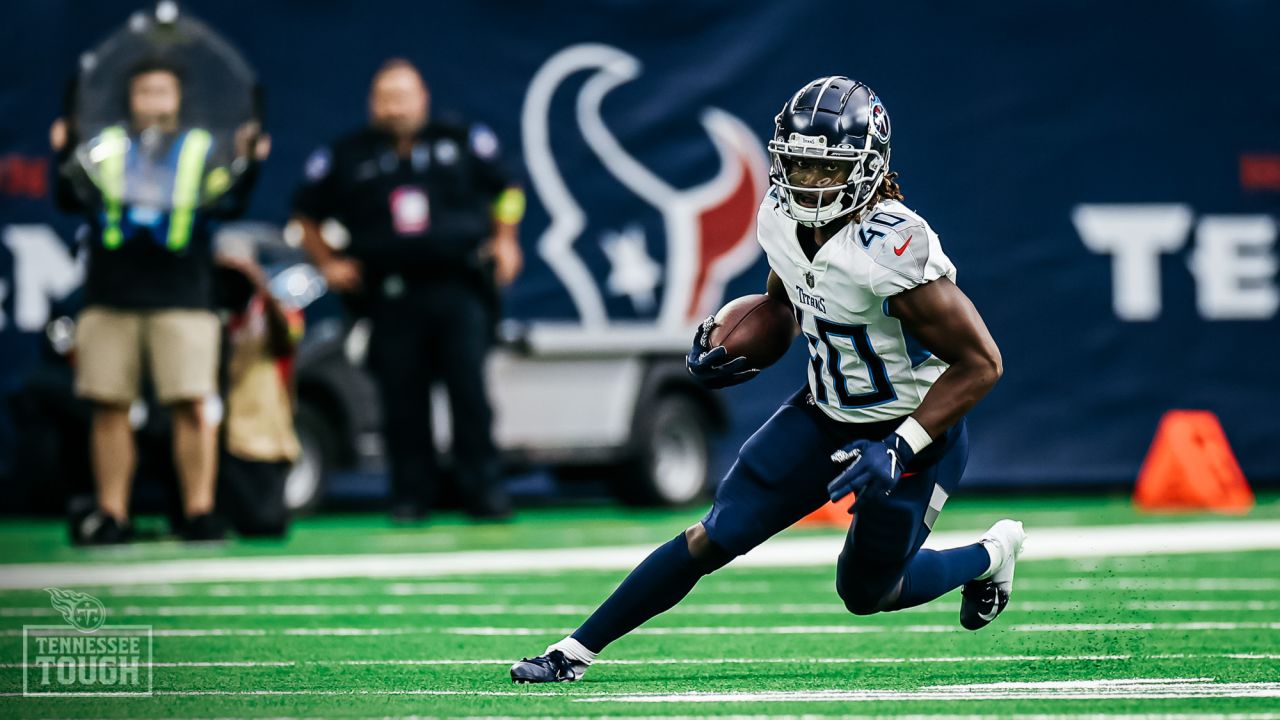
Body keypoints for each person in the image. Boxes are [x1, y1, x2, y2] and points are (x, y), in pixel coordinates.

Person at [510, 77, 1026, 683]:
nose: (807, 180)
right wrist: (732, 340)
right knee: (714, 534)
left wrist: (901, 446)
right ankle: (573, 651)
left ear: (868, 165)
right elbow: (784, 301)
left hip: (912, 431)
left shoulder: (893, 247)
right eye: (798, 163)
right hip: (824, 412)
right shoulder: (780, 218)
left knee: (867, 592)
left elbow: (982, 363)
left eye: (824, 166)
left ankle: (990, 556)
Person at [291, 59, 524, 523]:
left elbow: (508, 190)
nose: (396, 108)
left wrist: (505, 239)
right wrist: (328, 263)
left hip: (458, 287)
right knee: (402, 398)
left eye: (404, 97)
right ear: (373, 104)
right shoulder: (348, 155)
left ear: (422, 98)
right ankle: (410, 496)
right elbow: (305, 212)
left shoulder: (460, 142)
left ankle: (483, 492)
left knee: (469, 394)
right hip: (391, 295)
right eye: (386, 99)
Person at [52, 58, 268, 544]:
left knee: (193, 404)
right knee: (110, 406)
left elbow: (231, 202)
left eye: (162, 92)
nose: (152, 102)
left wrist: (249, 162)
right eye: (144, 92)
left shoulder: (201, 151)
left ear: (178, 100)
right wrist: (62, 152)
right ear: (130, 99)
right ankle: (112, 513)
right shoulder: (104, 149)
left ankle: (199, 510)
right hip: (111, 293)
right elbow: (68, 199)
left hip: (184, 294)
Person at [212, 236, 303, 538]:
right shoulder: (209, 309)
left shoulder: (272, 310)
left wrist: (260, 285)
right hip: (221, 424)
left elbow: (287, 340)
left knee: (266, 523)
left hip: (262, 424)